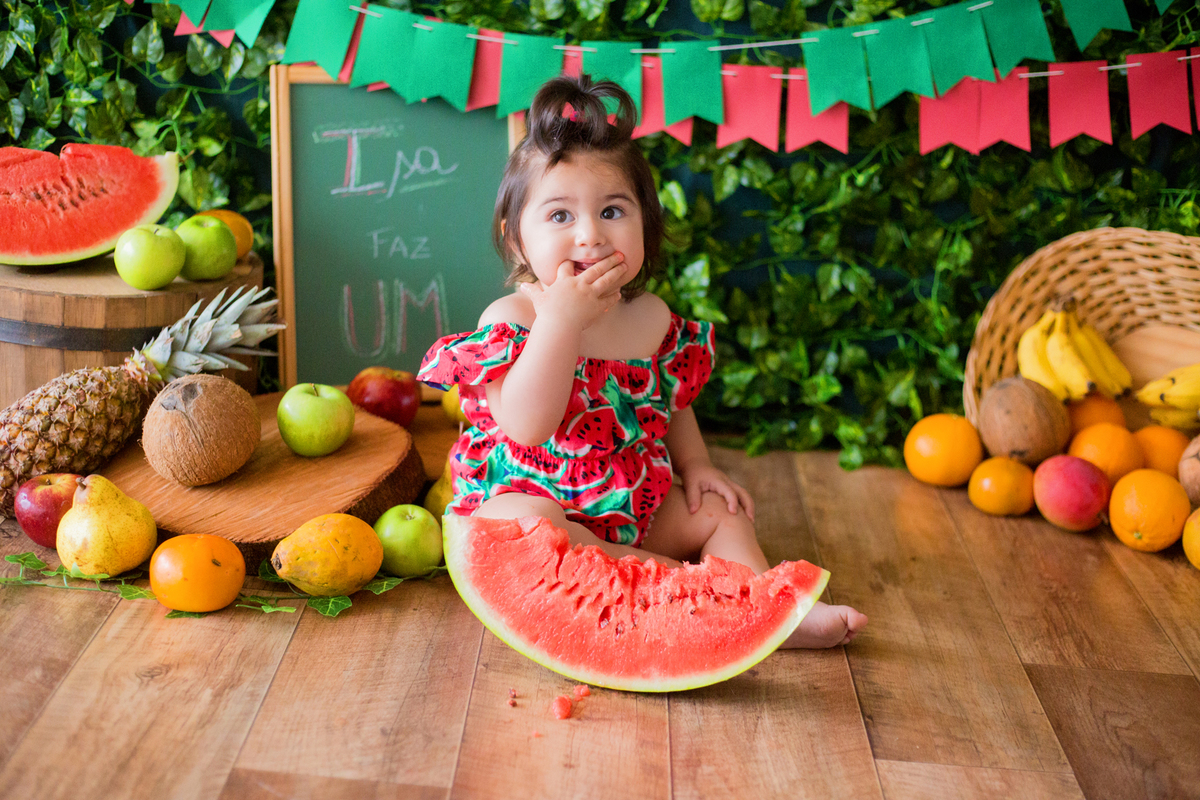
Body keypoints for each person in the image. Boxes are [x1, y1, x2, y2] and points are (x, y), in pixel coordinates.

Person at [417, 74, 866, 648]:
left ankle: (772, 612)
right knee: (520, 522)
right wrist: (561, 322)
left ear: (646, 228)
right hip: (543, 509)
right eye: (559, 216)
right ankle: (692, 590)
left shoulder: (651, 318)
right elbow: (528, 427)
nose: (589, 236)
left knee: (721, 513)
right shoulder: (514, 317)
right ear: (515, 240)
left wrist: (698, 465)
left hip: (635, 501)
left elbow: (668, 402)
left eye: (612, 211)